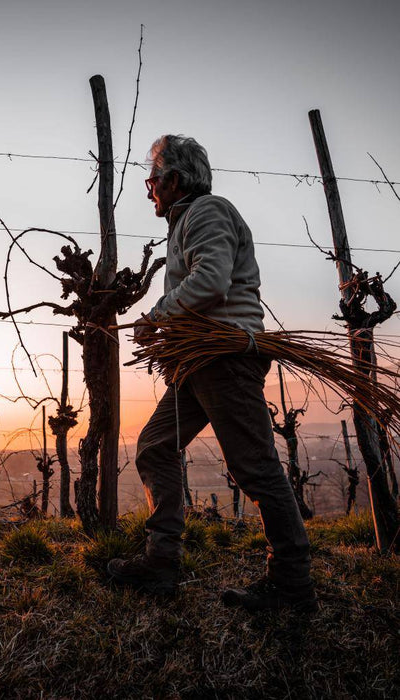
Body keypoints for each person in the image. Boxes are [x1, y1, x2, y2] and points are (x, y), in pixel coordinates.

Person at [107, 135, 317, 612]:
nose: (149, 191)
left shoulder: (206, 211)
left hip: (226, 358)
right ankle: (161, 562)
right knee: (156, 446)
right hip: (201, 361)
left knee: (256, 469)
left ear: (175, 180)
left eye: (153, 180)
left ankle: (292, 585)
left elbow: (212, 278)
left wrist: (156, 315)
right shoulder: (189, 220)